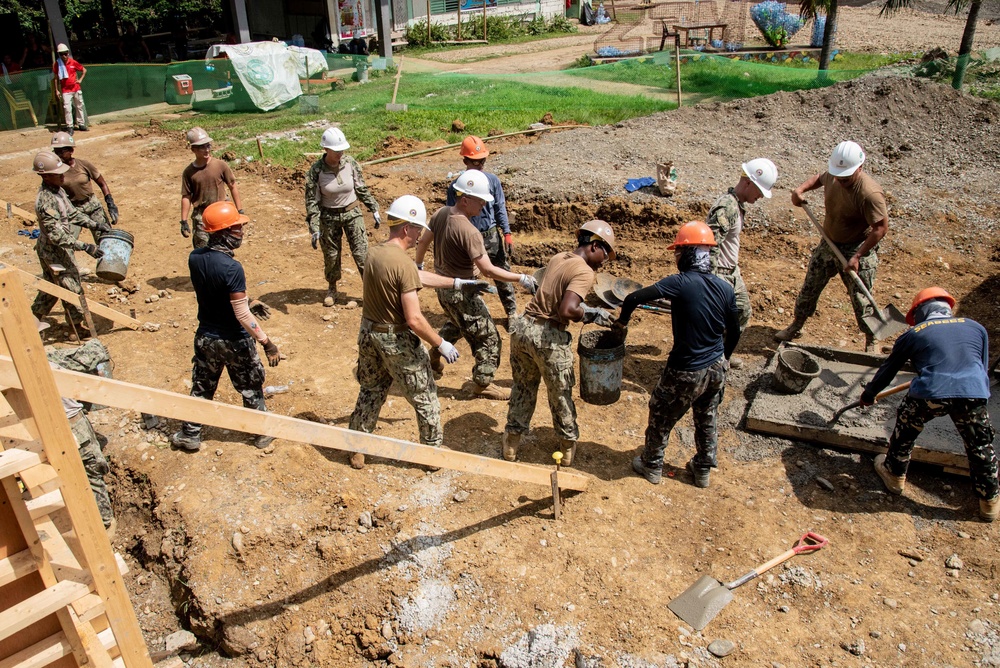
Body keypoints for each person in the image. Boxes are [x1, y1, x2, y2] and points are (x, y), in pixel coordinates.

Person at [348, 195, 492, 469]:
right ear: (406, 228)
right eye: (418, 229)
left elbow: (414, 276)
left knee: (371, 389)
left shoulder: (375, 253)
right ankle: (431, 453)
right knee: (425, 395)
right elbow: (414, 319)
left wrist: (457, 284)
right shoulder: (402, 262)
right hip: (395, 340)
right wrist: (441, 343)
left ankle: (356, 446)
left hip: (370, 334)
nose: (421, 235)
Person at [863, 287, 998, 522]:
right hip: (973, 392)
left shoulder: (914, 334)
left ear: (919, 312)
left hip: (931, 392)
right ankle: (989, 501)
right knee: (980, 444)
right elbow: (980, 367)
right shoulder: (976, 327)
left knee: (906, 427)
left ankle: (894, 475)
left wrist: (869, 394)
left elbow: (888, 370)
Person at [621, 221, 740, 489]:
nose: (675, 257)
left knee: (661, 412)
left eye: (677, 252)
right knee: (707, 415)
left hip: (686, 369)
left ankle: (651, 464)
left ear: (688, 253)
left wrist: (621, 324)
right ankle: (702, 470)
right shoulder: (725, 288)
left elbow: (632, 299)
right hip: (717, 367)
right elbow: (735, 329)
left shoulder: (679, 282)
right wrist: (726, 357)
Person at [414, 170, 538, 400]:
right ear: (465, 199)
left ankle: (435, 353)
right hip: (463, 293)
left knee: (457, 323)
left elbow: (423, 240)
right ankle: (483, 383)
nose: (483, 206)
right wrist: (520, 278)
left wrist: (419, 265)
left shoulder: (441, 213)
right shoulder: (470, 232)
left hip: (444, 288)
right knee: (489, 339)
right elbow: (488, 270)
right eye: (480, 201)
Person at [502, 220, 617, 466]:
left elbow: (553, 296)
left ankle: (511, 442)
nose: (604, 261)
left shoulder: (559, 258)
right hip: (548, 338)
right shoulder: (585, 271)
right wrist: (591, 313)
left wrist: (588, 309)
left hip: (523, 329)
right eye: (605, 254)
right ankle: (566, 446)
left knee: (523, 386)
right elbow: (567, 310)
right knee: (560, 393)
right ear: (595, 245)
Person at [171, 202, 280, 452]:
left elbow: (214, 290)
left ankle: (190, 434)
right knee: (251, 387)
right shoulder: (232, 267)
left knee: (202, 386)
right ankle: (261, 434)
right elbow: (240, 314)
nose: (241, 232)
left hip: (206, 337)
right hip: (234, 340)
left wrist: (249, 301)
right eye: (237, 228)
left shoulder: (195, 258)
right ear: (223, 232)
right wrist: (266, 342)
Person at [775, 141, 889, 352]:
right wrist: (800, 190)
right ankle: (796, 325)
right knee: (810, 287)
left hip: (857, 249)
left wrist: (858, 255)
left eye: (846, 178)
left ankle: (871, 339)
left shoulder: (870, 194)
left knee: (862, 299)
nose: (840, 181)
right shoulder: (836, 175)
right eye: (838, 176)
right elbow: (820, 178)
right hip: (829, 244)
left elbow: (880, 228)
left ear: (860, 168)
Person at [30, 151, 109, 331]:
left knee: (52, 287)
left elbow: (72, 213)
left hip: (58, 248)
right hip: (53, 251)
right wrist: (86, 246)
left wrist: (95, 224)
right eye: (59, 174)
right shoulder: (45, 201)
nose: (63, 176)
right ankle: (76, 328)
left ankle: (33, 319)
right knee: (72, 288)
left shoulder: (58, 190)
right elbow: (56, 236)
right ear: (46, 176)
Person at [305, 128, 381, 307]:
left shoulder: (351, 163)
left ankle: (371, 292)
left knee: (362, 254)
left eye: (342, 150)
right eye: (336, 150)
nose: (340, 153)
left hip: (352, 213)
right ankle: (332, 288)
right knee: (331, 255)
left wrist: (374, 207)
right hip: (328, 217)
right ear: (326, 149)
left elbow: (361, 188)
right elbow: (312, 201)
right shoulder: (316, 171)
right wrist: (314, 227)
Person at [446, 136, 518, 320]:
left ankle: (512, 313)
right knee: (469, 278)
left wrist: (507, 233)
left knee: (502, 273)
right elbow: (451, 216)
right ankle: (471, 313)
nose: (479, 165)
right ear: (465, 161)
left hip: (491, 235)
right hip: (468, 238)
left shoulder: (492, 181)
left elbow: (500, 207)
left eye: (482, 161)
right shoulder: (456, 186)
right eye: (475, 162)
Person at [706, 158, 777, 338]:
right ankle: (714, 359)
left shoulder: (737, 206)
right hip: (720, 275)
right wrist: (710, 282)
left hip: (731, 272)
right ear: (748, 182)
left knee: (742, 312)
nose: (760, 196)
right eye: (760, 191)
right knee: (717, 320)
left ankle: (721, 355)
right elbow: (711, 245)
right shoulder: (726, 207)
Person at [180, 127, 243, 249]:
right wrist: (183, 221)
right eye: (202, 147)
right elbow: (186, 196)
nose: (206, 149)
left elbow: (232, 186)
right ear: (193, 149)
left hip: (222, 212)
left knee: (224, 247)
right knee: (202, 248)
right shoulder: (189, 172)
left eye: (208, 145)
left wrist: (239, 211)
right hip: (201, 216)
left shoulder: (220, 165)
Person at [50, 132, 118, 243]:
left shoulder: (84, 165)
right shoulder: (57, 171)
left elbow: (102, 183)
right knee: (67, 241)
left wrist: (110, 204)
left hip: (92, 206)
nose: (58, 155)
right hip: (73, 210)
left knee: (106, 240)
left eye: (61, 151)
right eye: (56, 151)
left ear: (71, 150)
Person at [53, 43, 87, 134]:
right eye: (61, 54)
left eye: (65, 53)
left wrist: (80, 80)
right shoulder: (57, 64)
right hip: (65, 89)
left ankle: (81, 124)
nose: (64, 56)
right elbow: (56, 78)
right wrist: (56, 90)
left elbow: (84, 70)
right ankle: (70, 126)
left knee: (79, 106)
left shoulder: (73, 62)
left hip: (76, 88)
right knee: (67, 108)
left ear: (68, 53)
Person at [118, 23, 151, 98]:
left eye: (132, 28)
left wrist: (148, 55)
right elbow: (119, 47)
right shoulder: (125, 37)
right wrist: (124, 56)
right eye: (129, 28)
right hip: (130, 58)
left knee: (143, 75)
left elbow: (144, 46)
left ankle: (144, 91)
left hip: (140, 57)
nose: (131, 29)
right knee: (130, 76)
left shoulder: (138, 36)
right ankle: (129, 93)